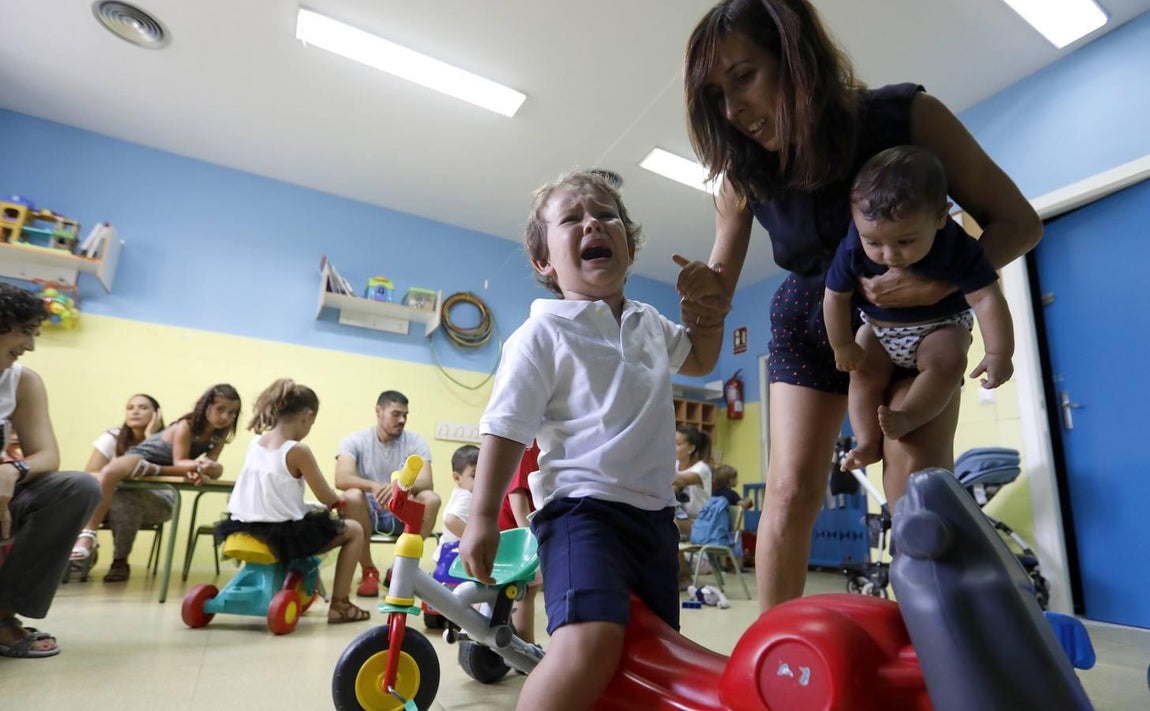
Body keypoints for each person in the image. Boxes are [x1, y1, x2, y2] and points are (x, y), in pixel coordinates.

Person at [677, 0, 1042, 612]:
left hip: (912, 322)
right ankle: (776, 662)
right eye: (716, 95)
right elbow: (722, 273)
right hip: (807, 318)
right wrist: (709, 297)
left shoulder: (908, 116)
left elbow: (1019, 224)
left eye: (744, 77)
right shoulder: (742, 172)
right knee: (791, 491)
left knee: (916, 488)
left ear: (795, 58)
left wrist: (941, 286)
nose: (733, 110)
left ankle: (932, 652)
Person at [459, 170, 723, 711]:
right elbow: (506, 427)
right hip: (582, 512)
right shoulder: (542, 334)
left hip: (653, 519)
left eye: (606, 215)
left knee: (650, 648)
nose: (592, 223)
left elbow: (700, 357)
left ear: (628, 244)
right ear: (544, 261)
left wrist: (707, 315)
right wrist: (484, 513)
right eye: (572, 218)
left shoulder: (649, 323)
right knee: (590, 641)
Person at [825, 146, 1014, 473]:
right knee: (863, 373)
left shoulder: (955, 246)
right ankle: (868, 442)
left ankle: (910, 415)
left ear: (941, 217)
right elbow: (834, 296)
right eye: (875, 243)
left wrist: (1000, 352)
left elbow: (986, 297)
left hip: (939, 325)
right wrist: (841, 343)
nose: (888, 255)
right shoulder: (855, 242)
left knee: (947, 361)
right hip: (879, 328)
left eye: (905, 241)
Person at [0, 283, 102, 658]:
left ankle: (1, 614)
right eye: (24, 331)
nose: (30, 345)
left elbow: (47, 456)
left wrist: (13, 471)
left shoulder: (22, 381)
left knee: (79, 487)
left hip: (5, 495)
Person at [215, 379, 370, 624]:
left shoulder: (255, 443)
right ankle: (340, 604)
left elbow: (271, 493)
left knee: (307, 515)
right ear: (307, 416)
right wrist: (339, 501)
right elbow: (325, 497)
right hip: (281, 535)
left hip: (242, 526)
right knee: (355, 531)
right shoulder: (298, 451)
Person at [70, 383, 242, 570]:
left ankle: (152, 470)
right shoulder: (187, 425)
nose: (226, 417)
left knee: (218, 469)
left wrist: (206, 470)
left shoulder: (221, 432)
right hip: (143, 456)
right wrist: (201, 467)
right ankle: (88, 534)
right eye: (220, 410)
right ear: (206, 407)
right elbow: (180, 462)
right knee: (110, 472)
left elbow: (212, 463)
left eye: (232, 412)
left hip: (166, 466)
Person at [334, 390, 442, 597]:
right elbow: (341, 478)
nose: (402, 420)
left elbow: (426, 481)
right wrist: (374, 486)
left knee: (431, 499)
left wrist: (398, 487)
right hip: (367, 512)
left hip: (401, 510)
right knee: (352, 496)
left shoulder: (416, 442)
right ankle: (369, 571)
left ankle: (399, 571)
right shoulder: (354, 440)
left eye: (405, 415)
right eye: (396, 414)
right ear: (378, 411)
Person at [82, 393, 173, 583]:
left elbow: (167, 475)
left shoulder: (169, 439)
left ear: (156, 414)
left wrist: (151, 438)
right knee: (80, 495)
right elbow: (91, 472)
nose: (135, 412)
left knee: (126, 496)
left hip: (158, 503)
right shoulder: (112, 437)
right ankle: (82, 550)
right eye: (130, 408)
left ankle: (120, 561)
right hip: (110, 500)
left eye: (142, 407)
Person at [497, 439, 540, 645]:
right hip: (516, 534)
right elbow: (516, 494)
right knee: (526, 591)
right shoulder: (527, 446)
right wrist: (530, 540)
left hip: (513, 531)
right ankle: (527, 648)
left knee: (505, 592)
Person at [434, 444, 478, 562]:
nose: (480, 480)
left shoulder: (459, 492)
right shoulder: (466, 496)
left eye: (483, 475)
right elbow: (451, 520)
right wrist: (474, 538)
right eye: (474, 476)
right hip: (453, 555)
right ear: (457, 478)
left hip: (446, 552)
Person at [672, 424, 713, 537]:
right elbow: (671, 490)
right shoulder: (675, 465)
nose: (672, 446)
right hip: (681, 517)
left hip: (700, 522)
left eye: (678, 444)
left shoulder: (702, 469)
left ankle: (677, 554)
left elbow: (680, 480)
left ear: (691, 448)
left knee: (668, 522)